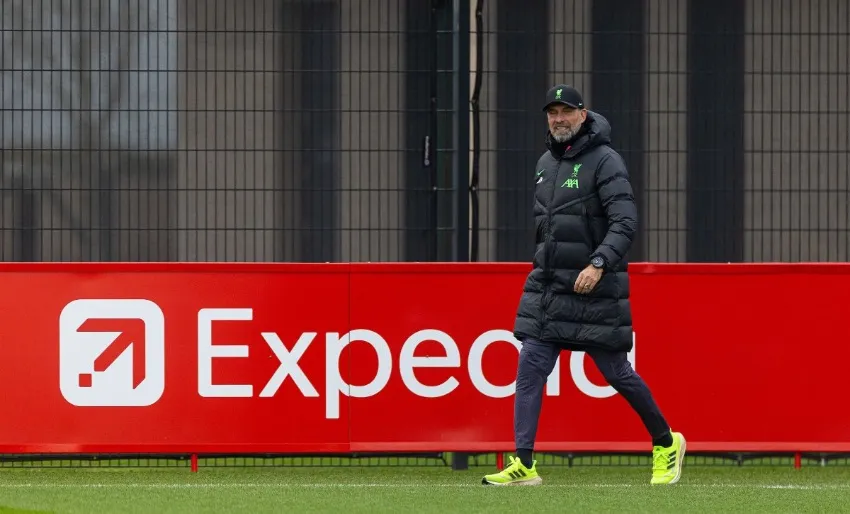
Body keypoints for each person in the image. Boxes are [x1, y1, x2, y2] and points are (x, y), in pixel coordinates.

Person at [482, 85, 685, 486]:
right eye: (552, 112)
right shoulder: (544, 162)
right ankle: (524, 463)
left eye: (566, 112)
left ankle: (666, 442)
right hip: (549, 288)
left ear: (583, 114)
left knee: (616, 373)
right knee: (530, 367)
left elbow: (624, 222)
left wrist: (598, 263)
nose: (558, 119)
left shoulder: (606, 160)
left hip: (594, 286)